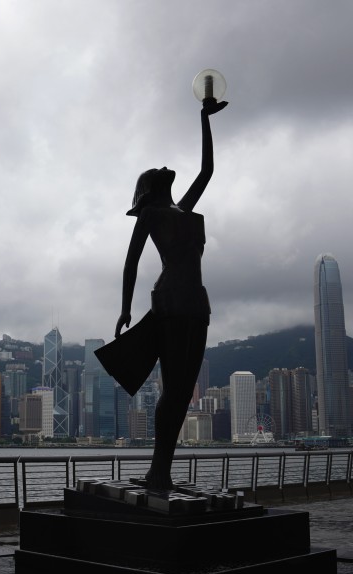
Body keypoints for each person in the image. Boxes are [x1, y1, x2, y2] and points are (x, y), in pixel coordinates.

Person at [113, 97, 227, 490]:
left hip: (197, 304)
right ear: (147, 190)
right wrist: (126, 308)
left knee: (182, 393)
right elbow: (131, 263)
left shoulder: (183, 207)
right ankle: (158, 471)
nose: (163, 168)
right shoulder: (151, 214)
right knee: (173, 389)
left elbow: (208, 170)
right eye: (154, 172)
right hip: (171, 302)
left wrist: (204, 119)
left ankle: (161, 470)